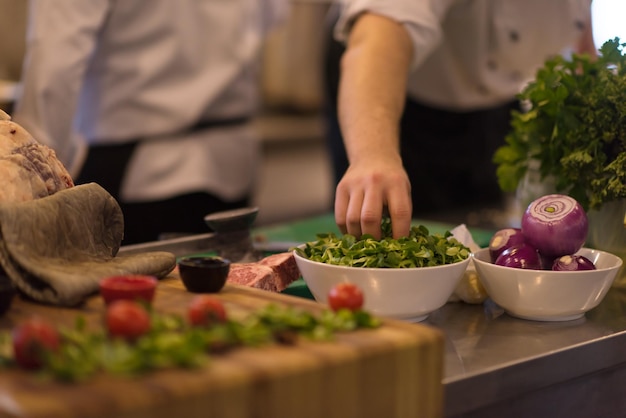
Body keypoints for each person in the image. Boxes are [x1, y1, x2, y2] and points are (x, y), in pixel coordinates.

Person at [12, 0, 288, 245]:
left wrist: (27, 187)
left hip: (137, 178)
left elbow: (52, 72)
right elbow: (271, 18)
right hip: (233, 165)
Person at [325, 0, 597, 240]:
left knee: (473, 234)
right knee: (385, 227)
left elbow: (579, 31)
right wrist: (373, 155)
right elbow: (378, 41)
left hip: (499, 96)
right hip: (389, 90)